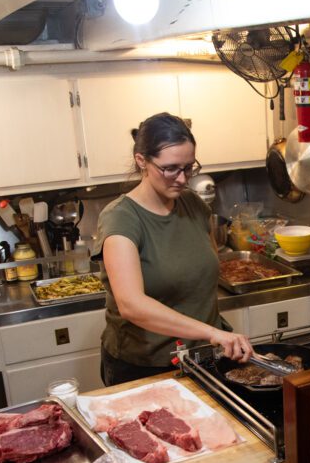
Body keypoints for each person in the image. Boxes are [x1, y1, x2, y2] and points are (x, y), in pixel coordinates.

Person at [93, 112, 252, 386]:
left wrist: (210, 336)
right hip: (143, 367)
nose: (182, 179)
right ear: (141, 160)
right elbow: (132, 305)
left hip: (201, 358)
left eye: (189, 167)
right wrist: (213, 333)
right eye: (170, 168)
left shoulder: (194, 205)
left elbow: (207, 268)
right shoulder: (121, 218)